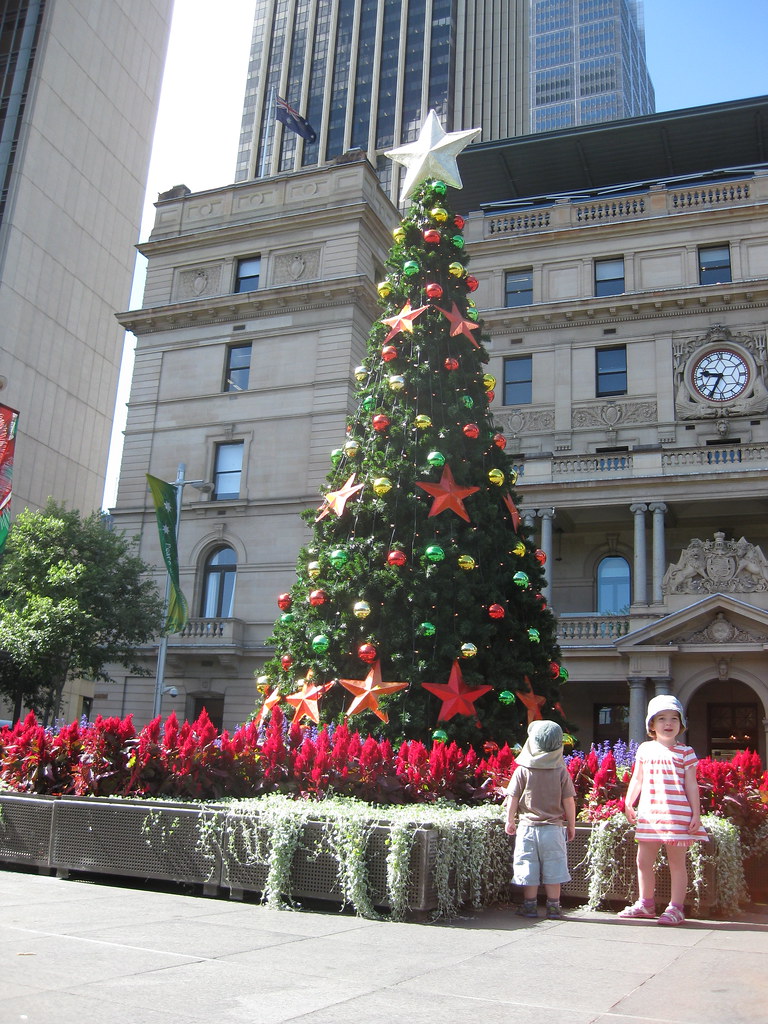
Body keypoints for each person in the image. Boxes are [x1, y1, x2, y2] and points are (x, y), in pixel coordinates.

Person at [618, 694, 708, 926]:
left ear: (681, 724)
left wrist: (696, 814)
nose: (668, 724)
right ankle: (645, 903)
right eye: (662, 719)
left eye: (673, 718)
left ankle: (676, 907)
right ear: (651, 725)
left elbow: (691, 784)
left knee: (677, 863)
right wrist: (629, 802)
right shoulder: (645, 750)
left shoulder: (686, 752)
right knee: (643, 861)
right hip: (649, 815)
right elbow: (637, 778)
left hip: (677, 815)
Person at [505, 720, 577, 919]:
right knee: (554, 865)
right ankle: (554, 906)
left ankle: (530, 905)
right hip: (553, 829)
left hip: (527, 828)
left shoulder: (523, 770)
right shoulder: (561, 771)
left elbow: (513, 797)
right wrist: (571, 824)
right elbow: (569, 801)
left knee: (528, 865)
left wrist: (509, 820)